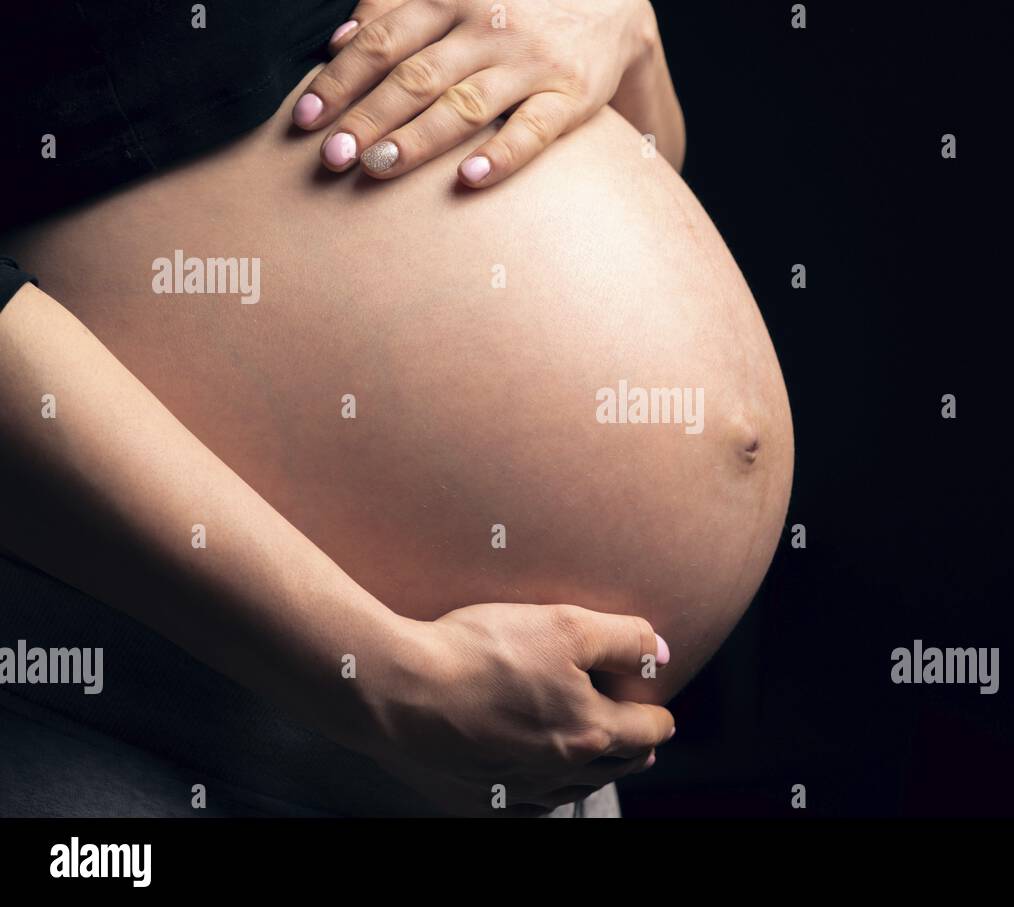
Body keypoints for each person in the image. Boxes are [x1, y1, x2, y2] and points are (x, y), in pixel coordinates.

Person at [0, 0, 793, 817]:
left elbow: (632, 142)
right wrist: (382, 679)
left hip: (515, 731)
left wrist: (626, 30)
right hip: (179, 695)